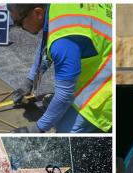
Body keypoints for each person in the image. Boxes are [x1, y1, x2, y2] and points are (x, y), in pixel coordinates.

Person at [7, 4, 112, 133]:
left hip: (108, 85)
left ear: (38, 13)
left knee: (64, 131)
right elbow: (46, 45)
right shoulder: (54, 8)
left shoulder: (63, 42)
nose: (20, 28)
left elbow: (64, 95)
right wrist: (30, 82)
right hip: (104, 53)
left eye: (18, 23)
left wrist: (36, 129)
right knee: (57, 110)